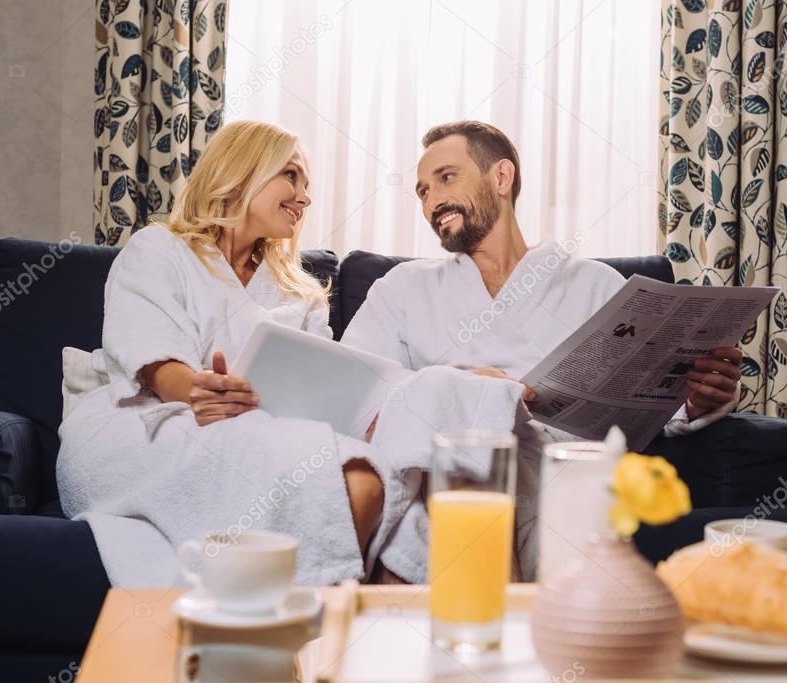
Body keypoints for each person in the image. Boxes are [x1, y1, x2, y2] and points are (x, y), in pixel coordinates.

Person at [57, 120, 521, 587]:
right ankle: (279, 627)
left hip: (252, 434)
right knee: (352, 478)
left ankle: (310, 630)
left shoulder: (298, 293)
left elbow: (330, 392)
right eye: (292, 177)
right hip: (145, 427)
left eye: (307, 185)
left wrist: (451, 382)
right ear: (242, 172)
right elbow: (154, 360)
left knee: (370, 474)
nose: (305, 197)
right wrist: (197, 390)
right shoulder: (160, 249)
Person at [341, 120, 743, 577]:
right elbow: (356, 391)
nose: (432, 200)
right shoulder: (403, 287)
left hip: (560, 471)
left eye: (446, 178)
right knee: (450, 400)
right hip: (444, 471)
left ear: (501, 177)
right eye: (421, 192)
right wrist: (469, 393)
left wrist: (698, 398)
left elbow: (653, 403)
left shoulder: (595, 285)